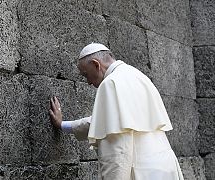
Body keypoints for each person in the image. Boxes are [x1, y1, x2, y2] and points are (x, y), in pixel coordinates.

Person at [49, 43, 184, 180]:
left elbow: (117, 148)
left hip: (140, 172)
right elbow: (107, 122)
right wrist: (62, 125)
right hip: (166, 167)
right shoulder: (138, 75)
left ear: (96, 65)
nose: (88, 82)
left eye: (86, 74)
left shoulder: (110, 83)